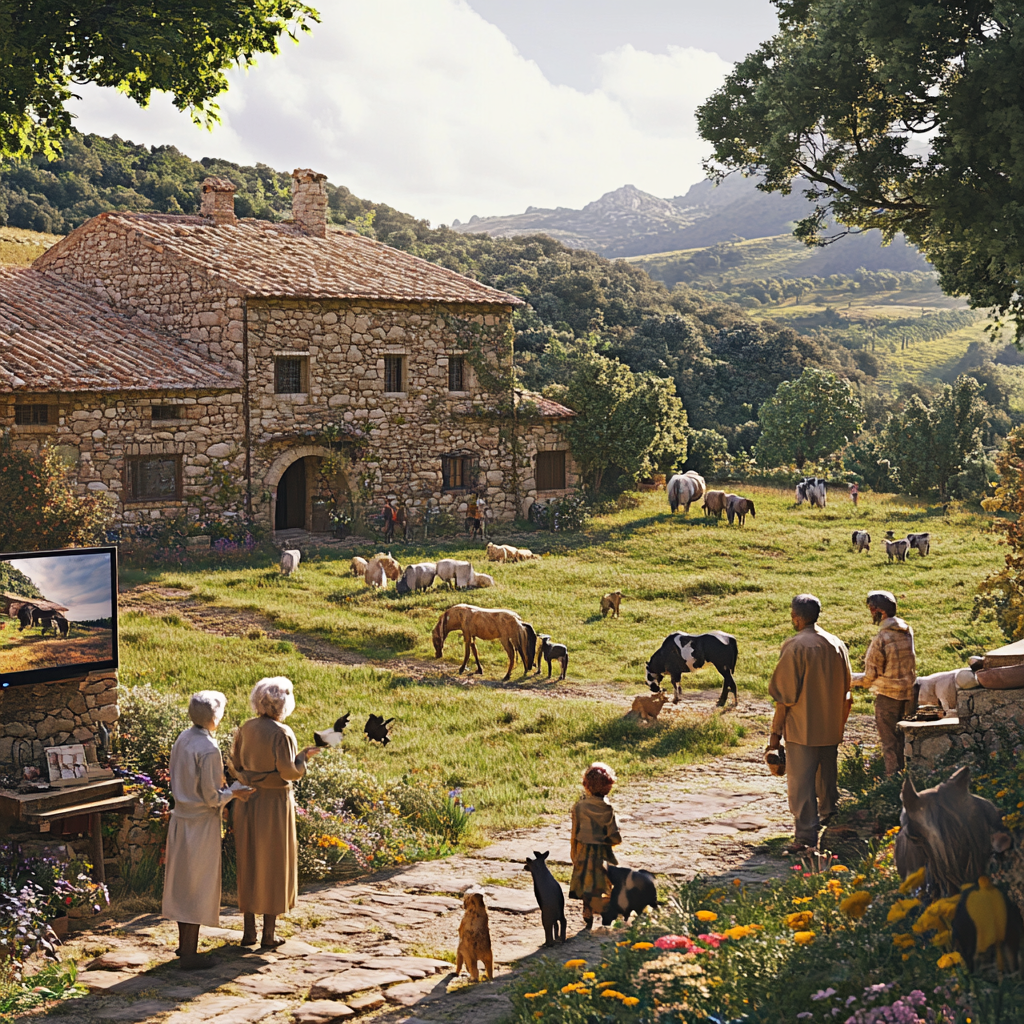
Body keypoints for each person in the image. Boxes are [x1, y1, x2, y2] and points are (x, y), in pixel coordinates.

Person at [162, 691, 253, 970]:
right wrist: (236, 791)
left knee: (182, 883)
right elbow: (213, 796)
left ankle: (183, 944)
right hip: (200, 823)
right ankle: (190, 953)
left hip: (181, 818)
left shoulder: (183, 738)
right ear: (215, 716)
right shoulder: (209, 749)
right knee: (197, 885)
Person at [231, 677, 320, 949]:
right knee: (274, 864)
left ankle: (248, 931)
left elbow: (233, 762)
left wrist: (248, 777)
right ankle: (268, 934)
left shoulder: (245, 728)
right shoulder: (282, 733)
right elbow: (288, 771)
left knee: (249, 861)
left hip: (246, 801)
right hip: (273, 803)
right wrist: (303, 758)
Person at [768, 594, 852, 855]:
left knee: (801, 785)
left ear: (796, 617)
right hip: (831, 725)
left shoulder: (795, 646)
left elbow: (784, 697)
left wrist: (774, 736)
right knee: (827, 780)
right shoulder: (837, 644)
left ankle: (805, 837)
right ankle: (831, 825)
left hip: (802, 727)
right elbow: (848, 691)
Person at [854, 590, 917, 776]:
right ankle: (909, 779)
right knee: (906, 742)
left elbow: (869, 677)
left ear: (880, 612)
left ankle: (893, 784)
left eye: (872, 610)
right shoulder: (907, 631)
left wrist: (846, 679)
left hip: (888, 696)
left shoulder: (881, 639)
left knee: (890, 745)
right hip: (910, 693)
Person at [569, 762, 622, 930]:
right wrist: (615, 840)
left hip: (583, 850)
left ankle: (587, 910)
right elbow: (613, 833)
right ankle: (605, 909)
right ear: (608, 786)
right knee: (603, 881)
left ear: (586, 785)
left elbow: (574, 831)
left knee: (585, 882)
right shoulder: (607, 808)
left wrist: (574, 853)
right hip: (601, 852)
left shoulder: (579, 807)